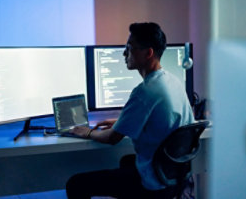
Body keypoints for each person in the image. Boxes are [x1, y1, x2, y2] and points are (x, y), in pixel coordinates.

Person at [66, 22, 194, 199]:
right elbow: (161, 120)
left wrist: (87, 132)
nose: (124, 53)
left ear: (148, 53)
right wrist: (121, 122)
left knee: (76, 184)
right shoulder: (173, 81)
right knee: (126, 161)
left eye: (129, 47)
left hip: (154, 183)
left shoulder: (145, 91)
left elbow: (111, 138)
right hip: (173, 178)